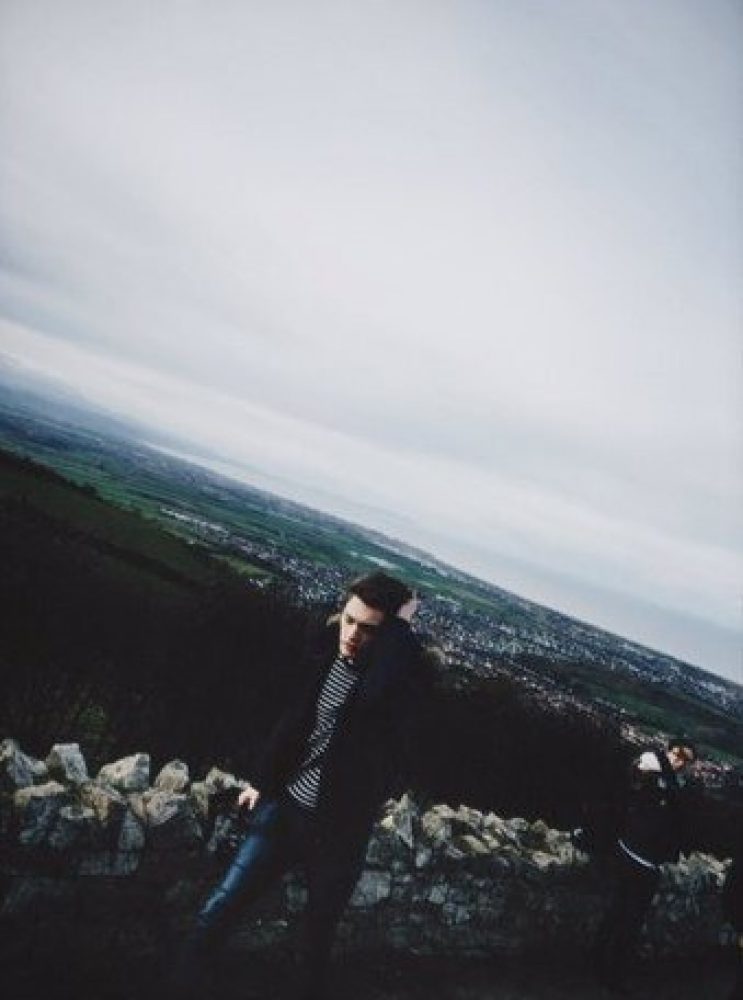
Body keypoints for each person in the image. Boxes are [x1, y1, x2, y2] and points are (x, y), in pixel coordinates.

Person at [171, 571, 431, 1000]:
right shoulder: (324, 657)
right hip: (284, 811)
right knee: (221, 906)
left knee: (314, 942)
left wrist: (400, 629)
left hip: (339, 833)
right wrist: (262, 780)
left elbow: (370, 703)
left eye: (368, 630)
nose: (351, 635)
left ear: (388, 640)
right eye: (348, 620)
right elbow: (293, 726)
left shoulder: (396, 689)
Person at [592, 736, 697, 994]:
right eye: (677, 753)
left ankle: (601, 962)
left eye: (686, 758)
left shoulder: (675, 783)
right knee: (627, 918)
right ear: (669, 750)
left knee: (623, 915)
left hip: (647, 861)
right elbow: (637, 773)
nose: (679, 760)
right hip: (633, 856)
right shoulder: (654, 766)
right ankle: (611, 973)